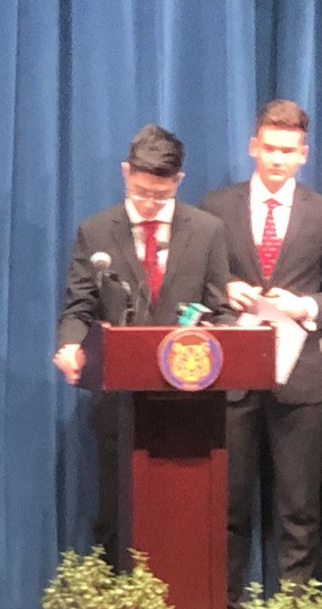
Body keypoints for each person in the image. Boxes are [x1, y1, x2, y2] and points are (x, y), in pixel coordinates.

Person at [201, 100, 322, 605]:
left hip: (299, 376)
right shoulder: (216, 207)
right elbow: (195, 284)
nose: (277, 159)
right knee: (228, 506)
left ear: (303, 155)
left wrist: (306, 304)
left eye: (288, 151)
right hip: (234, 376)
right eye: (269, 148)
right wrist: (225, 289)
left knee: (299, 509)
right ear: (254, 148)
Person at [54, 124, 231, 560]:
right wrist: (71, 345)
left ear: (178, 182)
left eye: (160, 195)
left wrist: (209, 336)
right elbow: (78, 308)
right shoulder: (96, 232)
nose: (149, 205)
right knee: (118, 518)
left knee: (183, 526)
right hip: (119, 403)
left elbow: (221, 310)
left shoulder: (207, 231)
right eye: (140, 192)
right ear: (124, 173)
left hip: (189, 405)